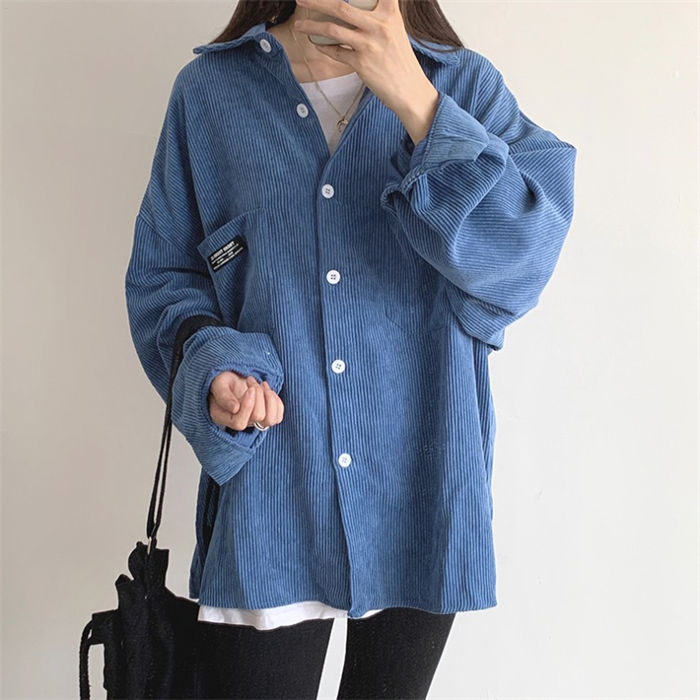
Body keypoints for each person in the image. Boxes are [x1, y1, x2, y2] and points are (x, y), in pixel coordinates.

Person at [124, 0, 577, 696]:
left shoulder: (462, 86)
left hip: (420, 486)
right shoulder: (210, 95)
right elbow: (164, 277)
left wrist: (420, 105)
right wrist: (213, 365)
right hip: (274, 494)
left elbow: (522, 259)